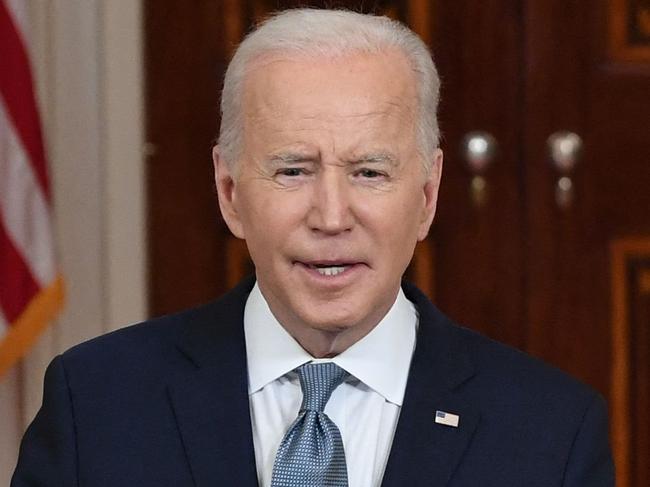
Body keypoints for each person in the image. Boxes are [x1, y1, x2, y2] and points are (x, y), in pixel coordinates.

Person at [12, 8, 614, 487]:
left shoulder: (551, 432)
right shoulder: (95, 404)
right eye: (294, 170)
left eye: (370, 172)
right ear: (229, 192)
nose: (331, 216)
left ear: (428, 195)